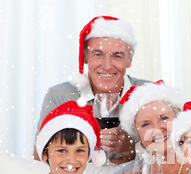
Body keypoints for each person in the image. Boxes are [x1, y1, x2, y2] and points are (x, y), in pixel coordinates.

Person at [34, 16, 149, 164]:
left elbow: (169, 157)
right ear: (86, 57)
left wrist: (130, 149)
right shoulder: (59, 96)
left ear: (129, 60)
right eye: (98, 54)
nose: (107, 66)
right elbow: (40, 158)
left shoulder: (149, 94)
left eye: (117, 55)